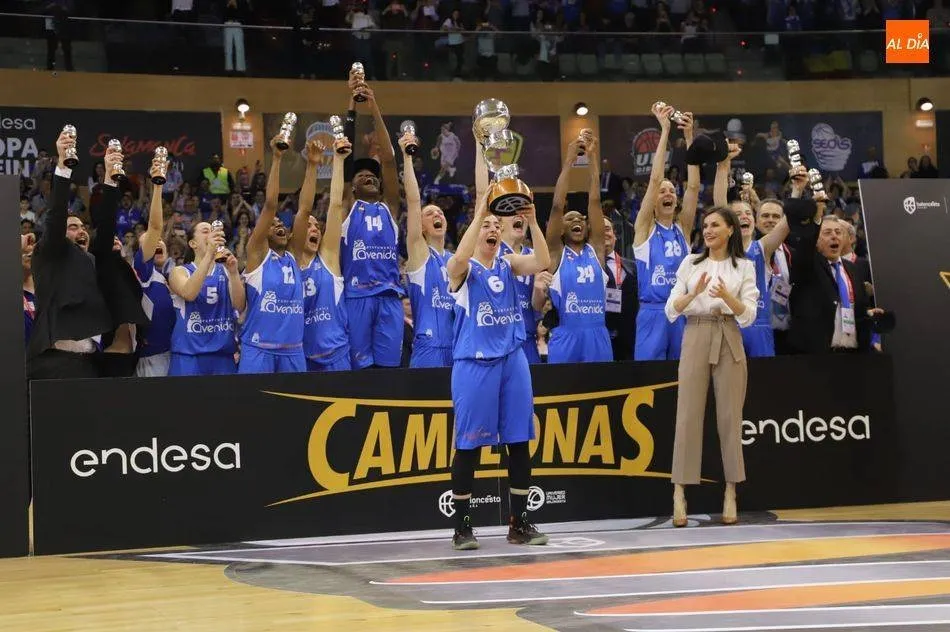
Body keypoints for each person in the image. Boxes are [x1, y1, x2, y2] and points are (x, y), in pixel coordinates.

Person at [445, 191, 551, 550]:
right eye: (485, 226)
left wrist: (534, 221)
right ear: (474, 234)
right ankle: (462, 527)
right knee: (469, 446)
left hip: (512, 359)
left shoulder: (508, 262)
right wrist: (480, 215)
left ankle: (519, 524)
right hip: (474, 364)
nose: (492, 228)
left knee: (519, 441)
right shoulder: (461, 268)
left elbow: (544, 260)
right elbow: (459, 257)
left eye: (496, 225)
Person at [664, 206, 759, 527]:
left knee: (730, 417)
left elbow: (749, 315)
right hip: (695, 333)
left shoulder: (744, 267)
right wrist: (694, 293)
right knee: (687, 415)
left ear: (731, 229)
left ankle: (731, 491)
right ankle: (679, 493)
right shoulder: (690, 263)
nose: (708, 230)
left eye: (715, 225)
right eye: (705, 225)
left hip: (729, 333)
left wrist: (727, 298)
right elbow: (671, 310)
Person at [27, 129, 112, 380]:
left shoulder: (88, 261)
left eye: (83, 227)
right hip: (53, 362)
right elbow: (55, 220)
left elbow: (105, 227)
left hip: (88, 361)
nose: (81, 231)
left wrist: (110, 179)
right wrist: (63, 168)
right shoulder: (50, 251)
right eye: (73, 227)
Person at [341, 79, 405, 369]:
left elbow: (390, 161)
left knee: (389, 373)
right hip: (356, 297)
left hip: (390, 297)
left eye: (372, 174)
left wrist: (373, 104)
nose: (368, 175)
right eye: (360, 175)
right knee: (360, 373)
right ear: (351, 186)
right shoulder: (347, 209)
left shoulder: (389, 208)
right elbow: (345, 159)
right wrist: (353, 105)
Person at [633, 103, 700, 361]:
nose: (668, 193)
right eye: (663, 191)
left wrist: (689, 137)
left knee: (683, 377)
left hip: (682, 310)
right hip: (653, 313)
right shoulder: (645, 228)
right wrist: (664, 130)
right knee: (650, 379)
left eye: (672, 190)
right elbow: (655, 177)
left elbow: (693, 187)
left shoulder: (682, 227)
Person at [238, 135, 307, 374]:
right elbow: (269, 206)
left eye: (281, 224)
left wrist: (314, 166)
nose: (278, 225)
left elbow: (304, 210)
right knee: (253, 410)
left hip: (293, 350)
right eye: (272, 224)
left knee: (297, 411)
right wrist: (277, 159)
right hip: (259, 348)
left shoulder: (295, 257)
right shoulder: (257, 254)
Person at [713, 145, 790, 358]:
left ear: (754, 220)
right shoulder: (724, 246)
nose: (744, 217)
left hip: (759, 324)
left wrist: (797, 190)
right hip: (730, 323)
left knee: (764, 384)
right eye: (737, 214)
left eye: (748, 213)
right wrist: (723, 165)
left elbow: (786, 222)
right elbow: (719, 202)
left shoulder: (762, 248)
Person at [541, 132, 611, 363]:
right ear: (561, 229)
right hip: (566, 335)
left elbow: (594, 202)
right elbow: (557, 207)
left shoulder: (596, 249)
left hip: (597, 334)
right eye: (570, 219)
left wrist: (591, 161)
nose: (577, 221)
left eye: (581, 218)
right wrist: (569, 162)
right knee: (562, 394)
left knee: (602, 392)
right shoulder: (556, 253)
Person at [291, 137, 351, 372]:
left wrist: (338, 159)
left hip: (336, 355)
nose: (314, 228)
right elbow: (303, 209)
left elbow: (335, 205)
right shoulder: (292, 261)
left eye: (318, 226)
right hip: (301, 357)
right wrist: (312, 165)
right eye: (309, 226)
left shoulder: (327, 257)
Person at [90, 145, 149, 377]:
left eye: (117, 238)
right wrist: (110, 178)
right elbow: (106, 221)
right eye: (109, 238)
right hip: (111, 355)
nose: (115, 239)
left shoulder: (125, 268)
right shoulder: (101, 262)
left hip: (132, 353)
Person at [402, 131, 455, 368]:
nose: (437, 214)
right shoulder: (420, 254)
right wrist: (407, 157)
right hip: (428, 348)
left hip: (458, 347)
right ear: (421, 226)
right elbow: (414, 202)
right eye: (430, 213)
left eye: (440, 212)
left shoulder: (456, 260)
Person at [167, 222, 245, 376]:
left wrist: (235, 273)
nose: (211, 234)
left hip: (222, 356)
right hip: (188, 356)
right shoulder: (180, 271)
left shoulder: (226, 270)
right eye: (205, 231)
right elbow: (189, 293)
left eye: (213, 231)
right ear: (193, 243)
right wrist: (209, 254)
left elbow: (239, 306)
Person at [133, 156, 177, 377]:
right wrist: (158, 186)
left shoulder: (177, 274)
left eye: (160, 240)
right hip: (152, 358)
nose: (157, 241)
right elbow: (155, 226)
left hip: (179, 355)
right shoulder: (143, 271)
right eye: (150, 240)